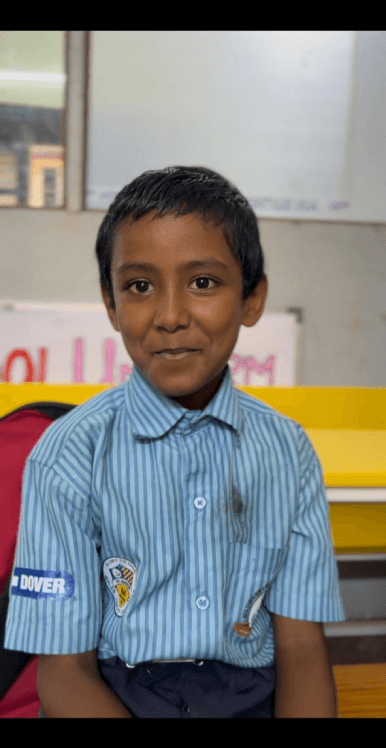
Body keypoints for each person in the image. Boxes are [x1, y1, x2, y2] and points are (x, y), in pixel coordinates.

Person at [4, 165, 345, 718]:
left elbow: (302, 648)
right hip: (110, 696)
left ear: (252, 298)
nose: (169, 316)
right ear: (112, 304)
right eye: (139, 287)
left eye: (203, 283)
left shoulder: (287, 452)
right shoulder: (67, 456)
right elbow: (63, 672)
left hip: (251, 694)